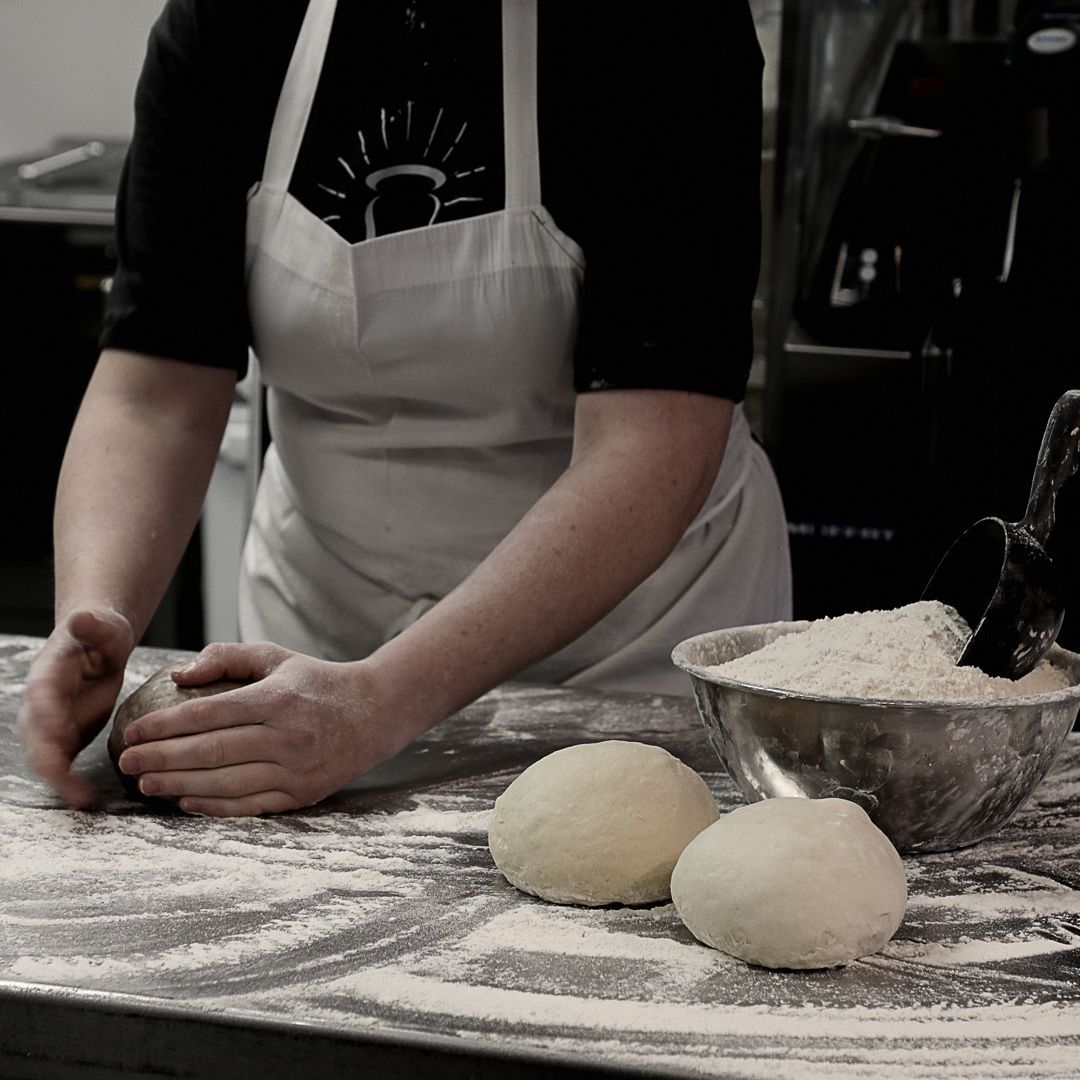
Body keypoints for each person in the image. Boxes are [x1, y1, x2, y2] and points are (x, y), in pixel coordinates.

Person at [19, 0, 792, 816]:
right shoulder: (234, 22)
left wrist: (380, 701)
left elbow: (653, 440)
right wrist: (96, 613)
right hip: (312, 647)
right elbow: (158, 386)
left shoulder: (657, 27)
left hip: (622, 652)